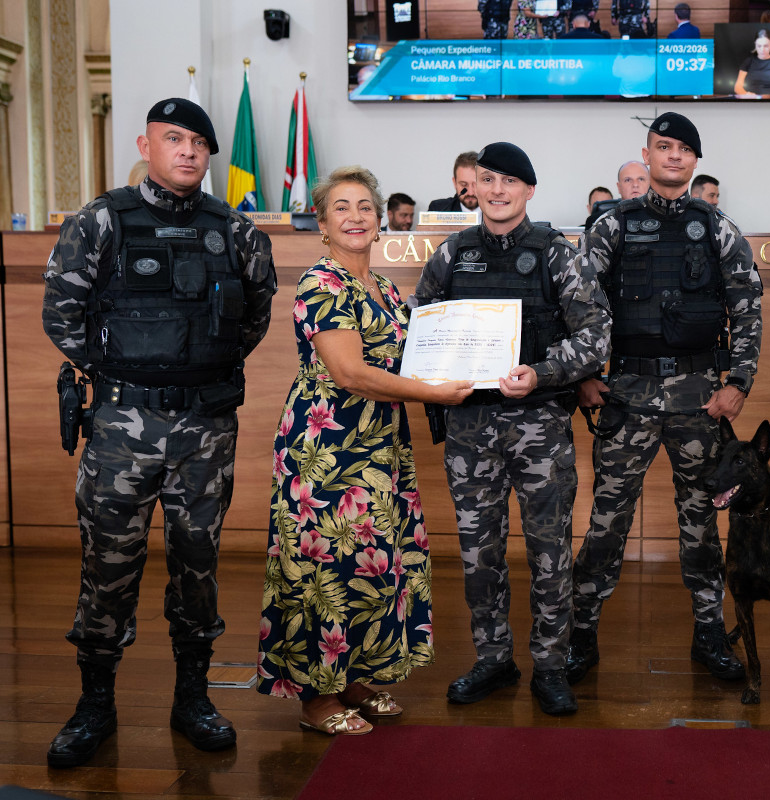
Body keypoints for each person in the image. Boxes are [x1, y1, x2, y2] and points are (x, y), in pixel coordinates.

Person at [43, 97, 277, 767]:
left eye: (200, 142)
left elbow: (250, 322)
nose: (189, 151)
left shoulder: (235, 233)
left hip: (204, 430)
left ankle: (193, 698)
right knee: (107, 567)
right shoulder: (100, 222)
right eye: (173, 138)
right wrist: (128, 371)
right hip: (120, 425)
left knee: (197, 566)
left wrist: (191, 365)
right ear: (145, 146)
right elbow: (63, 315)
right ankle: (95, 705)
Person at [257, 166, 472, 736]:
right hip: (326, 449)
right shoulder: (319, 283)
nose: (355, 217)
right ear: (322, 224)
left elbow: (415, 355)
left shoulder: (384, 288)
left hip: (378, 445)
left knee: (369, 563)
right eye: (341, 208)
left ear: (379, 221)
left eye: (364, 208)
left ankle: (348, 678)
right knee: (324, 565)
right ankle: (315, 698)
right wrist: (433, 392)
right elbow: (351, 372)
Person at [412, 142, 611, 716]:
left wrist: (544, 372)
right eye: (488, 180)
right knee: (479, 553)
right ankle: (493, 659)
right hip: (471, 426)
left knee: (550, 553)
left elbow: (596, 334)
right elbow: (421, 328)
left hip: (539, 425)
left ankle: (551, 667)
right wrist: (434, 374)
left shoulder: (557, 254)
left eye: (510, 182)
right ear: (472, 186)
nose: (498, 191)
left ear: (529, 190)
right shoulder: (452, 254)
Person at [567, 112, 763, 686]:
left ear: (695, 161)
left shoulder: (718, 227)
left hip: (700, 399)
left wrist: (739, 382)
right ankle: (583, 635)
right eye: (663, 146)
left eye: (683, 149)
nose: (673, 156)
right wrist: (582, 376)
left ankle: (708, 633)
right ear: (646, 155)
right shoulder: (611, 226)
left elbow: (748, 306)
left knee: (701, 518)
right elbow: (575, 306)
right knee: (607, 519)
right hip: (625, 395)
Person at [734, 29, 770, 98]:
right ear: (755, 45)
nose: (762, 50)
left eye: (766, 46)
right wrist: (746, 95)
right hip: (751, 100)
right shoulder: (748, 62)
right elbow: (738, 86)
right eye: (759, 46)